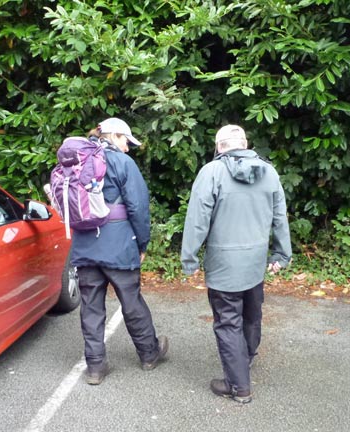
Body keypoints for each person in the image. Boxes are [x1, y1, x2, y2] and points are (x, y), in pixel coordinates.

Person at [181, 124, 292, 403]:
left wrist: (190, 259)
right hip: (254, 263)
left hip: (223, 265)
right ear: (245, 143)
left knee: (228, 322)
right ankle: (246, 359)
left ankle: (239, 386)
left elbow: (197, 220)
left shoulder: (211, 173)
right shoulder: (269, 172)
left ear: (219, 147)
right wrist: (281, 254)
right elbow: (280, 217)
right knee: (252, 314)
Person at [71, 117, 168, 385]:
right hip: (118, 245)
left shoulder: (76, 160)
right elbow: (138, 207)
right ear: (114, 136)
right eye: (126, 141)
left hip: (85, 245)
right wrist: (143, 243)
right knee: (131, 300)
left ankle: (95, 367)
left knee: (91, 307)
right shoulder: (123, 163)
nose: (128, 147)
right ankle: (149, 354)